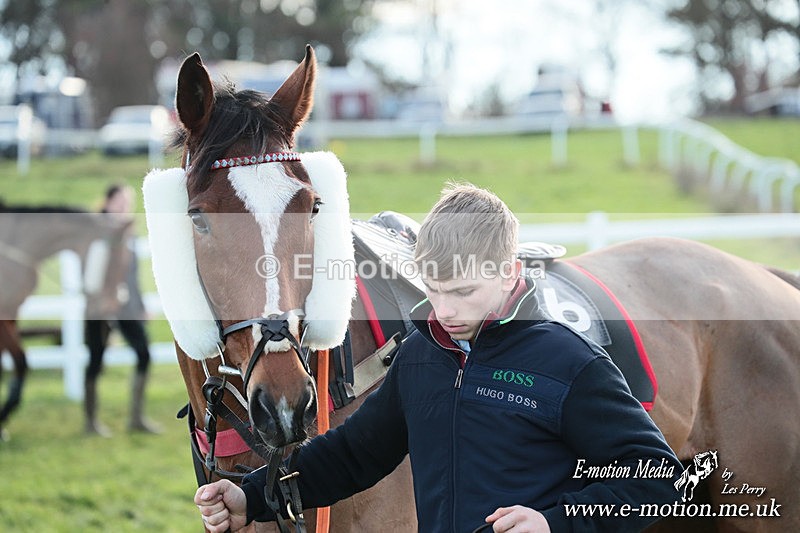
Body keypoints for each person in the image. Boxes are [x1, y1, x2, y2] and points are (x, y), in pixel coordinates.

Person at [195, 183, 682, 532]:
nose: (444, 311)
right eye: (434, 290)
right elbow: (352, 455)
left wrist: (553, 524)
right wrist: (253, 496)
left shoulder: (571, 364)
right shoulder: (421, 356)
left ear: (510, 273)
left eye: (464, 292)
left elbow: (658, 480)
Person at [83, 184, 159, 436]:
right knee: (96, 359)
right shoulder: (96, 229)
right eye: (120, 202)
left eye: (128, 203)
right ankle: (90, 421)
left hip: (125, 304)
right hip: (98, 305)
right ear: (108, 201)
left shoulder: (128, 232)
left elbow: (132, 276)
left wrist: (140, 306)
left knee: (143, 353)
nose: (125, 207)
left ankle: (136, 418)